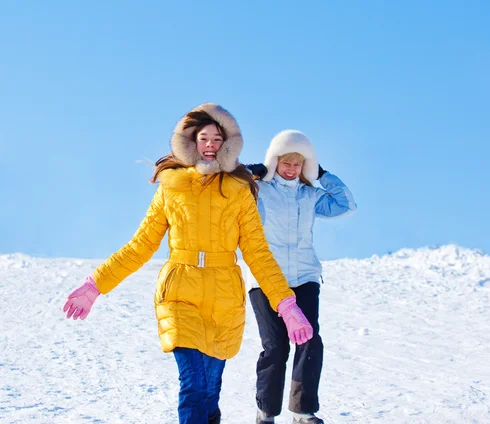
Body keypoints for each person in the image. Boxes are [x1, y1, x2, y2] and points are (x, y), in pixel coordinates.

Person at [62, 104, 314, 424]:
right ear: (191, 142)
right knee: (193, 386)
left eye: (217, 138)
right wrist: (95, 284)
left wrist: (286, 303)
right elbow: (141, 245)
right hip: (180, 292)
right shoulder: (172, 186)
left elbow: (258, 253)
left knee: (209, 391)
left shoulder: (239, 190)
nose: (210, 144)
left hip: (224, 297)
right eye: (203, 137)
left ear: (228, 144)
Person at [246, 130, 357, 424]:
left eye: (299, 163)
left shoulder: (310, 195)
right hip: (266, 280)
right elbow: (231, 190)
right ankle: (266, 412)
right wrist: (250, 174)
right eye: (286, 161)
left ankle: (303, 412)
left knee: (310, 340)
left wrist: (323, 174)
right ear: (275, 161)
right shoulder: (261, 192)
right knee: (276, 346)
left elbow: (346, 205)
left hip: (305, 277)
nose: (291, 168)